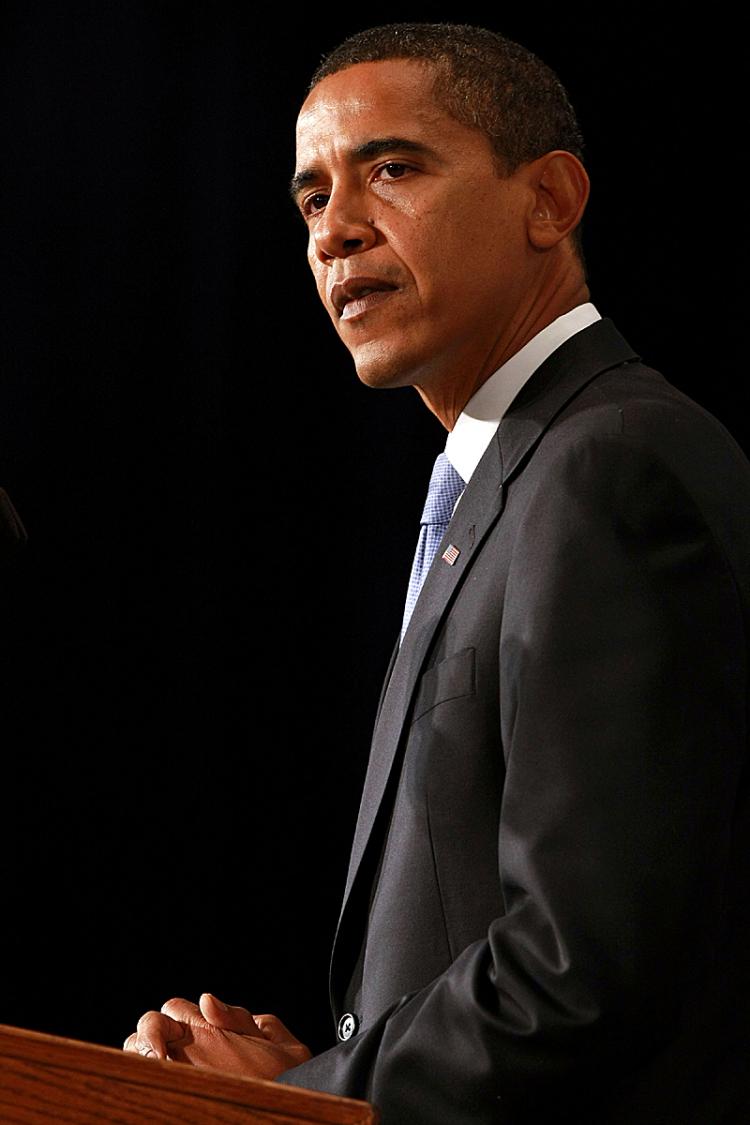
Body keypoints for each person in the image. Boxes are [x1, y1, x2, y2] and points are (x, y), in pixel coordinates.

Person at [124, 23, 750, 1123]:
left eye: (392, 170)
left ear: (548, 200)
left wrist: (312, 1100)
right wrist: (318, 1076)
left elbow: (581, 967)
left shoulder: (610, 464)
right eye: (312, 197)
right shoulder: (511, 478)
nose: (336, 230)